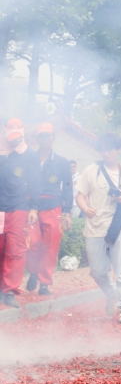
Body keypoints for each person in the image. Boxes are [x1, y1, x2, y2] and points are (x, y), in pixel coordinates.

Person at [75, 133, 121, 323]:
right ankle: (112, 293)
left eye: (109, 149)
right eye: (102, 150)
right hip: (95, 227)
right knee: (97, 271)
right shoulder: (91, 171)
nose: (106, 153)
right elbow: (80, 196)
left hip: (119, 226)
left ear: (118, 149)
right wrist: (86, 209)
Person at [25, 123, 72, 295]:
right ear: (37, 138)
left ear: (53, 138)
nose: (45, 138)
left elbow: (68, 187)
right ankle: (33, 272)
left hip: (53, 207)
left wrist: (67, 213)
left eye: (48, 135)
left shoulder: (62, 162)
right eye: (42, 135)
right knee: (31, 242)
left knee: (51, 246)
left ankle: (44, 283)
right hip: (31, 206)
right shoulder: (29, 159)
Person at [0, 118, 41, 308]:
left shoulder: (29, 155)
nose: (15, 141)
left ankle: (9, 290)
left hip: (19, 207)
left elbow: (35, 182)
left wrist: (34, 208)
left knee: (15, 250)